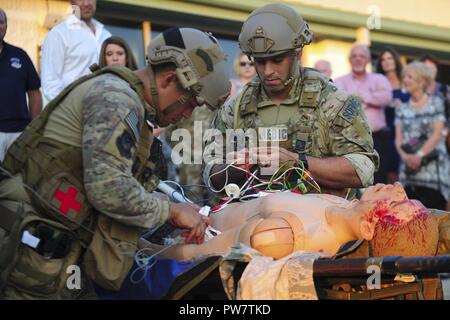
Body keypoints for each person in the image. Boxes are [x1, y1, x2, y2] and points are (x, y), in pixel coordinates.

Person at [0, 27, 230, 299]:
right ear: (168, 79)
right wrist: (170, 211)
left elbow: (117, 180)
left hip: (54, 253)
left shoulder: (125, 100)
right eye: (190, 102)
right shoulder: (116, 99)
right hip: (30, 255)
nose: (188, 113)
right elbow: (109, 189)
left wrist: (174, 207)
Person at [203, 3, 379, 198]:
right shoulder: (234, 109)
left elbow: (363, 168)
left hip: (324, 220)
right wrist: (235, 168)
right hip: (255, 220)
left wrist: (297, 162)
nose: (267, 70)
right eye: (260, 62)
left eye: (277, 60)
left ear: (298, 53)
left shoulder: (334, 102)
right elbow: (210, 172)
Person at [160, 183, 439, 261]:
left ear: (368, 227)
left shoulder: (282, 235)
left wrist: (144, 247)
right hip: (195, 208)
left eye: (398, 200)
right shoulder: (350, 205)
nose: (399, 185)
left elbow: (194, 254)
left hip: (185, 228)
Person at [395, 61, 450, 211]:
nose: (405, 79)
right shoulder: (401, 108)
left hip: (432, 173)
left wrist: (419, 155)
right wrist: (406, 157)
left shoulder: (436, 103)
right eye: (404, 76)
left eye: (410, 77)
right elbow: (398, 138)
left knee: (435, 218)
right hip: (408, 172)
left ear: (421, 82)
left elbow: (437, 133)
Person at [335, 44, 393, 184]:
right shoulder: (339, 81)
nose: (358, 59)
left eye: (362, 56)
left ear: (368, 60)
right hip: (348, 140)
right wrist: (370, 97)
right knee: (352, 181)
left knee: (378, 182)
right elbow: (336, 101)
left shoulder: (379, 79)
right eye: (354, 56)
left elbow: (386, 97)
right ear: (349, 60)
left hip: (377, 140)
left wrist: (361, 97)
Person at [41, 0, 111, 102]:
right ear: (71, 1)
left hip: (106, 107)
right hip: (73, 111)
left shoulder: (106, 35)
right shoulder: (59, 34)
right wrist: (71, 110)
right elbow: (50, 83)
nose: (86, 4)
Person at [0, 8, 42, 161]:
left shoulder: (20, 55)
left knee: (17, 181)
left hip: (19, 133)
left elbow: (34, 93)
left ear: (6, 26)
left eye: (1, 22)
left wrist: (33, 128)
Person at [376, 47, 410, 183]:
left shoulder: (406, 80)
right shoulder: (377, 81)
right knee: (388, 173)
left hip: (406, 133)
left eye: (390, 58)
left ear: (396, 60)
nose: (386, 62)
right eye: (383, 59)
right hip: (386, 134)